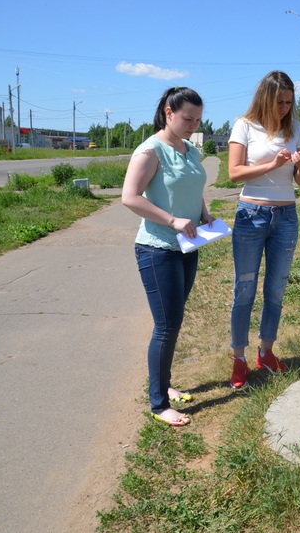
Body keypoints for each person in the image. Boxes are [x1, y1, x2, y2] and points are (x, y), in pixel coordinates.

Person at [122, 87, 214, 427]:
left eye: (197, 120)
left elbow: (192, 188)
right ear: (168, 112)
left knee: (172, 322)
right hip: (157, 247)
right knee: (166, 326)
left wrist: (203, 212)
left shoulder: (189, 149)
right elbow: (129, 197)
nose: (192, 125)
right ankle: (159, 404)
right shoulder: (150, 150)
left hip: (186, 248)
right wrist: (173, 220)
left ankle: (165, 384)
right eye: (187, 119)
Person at [227, 71, 300, 388]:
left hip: (286, 216)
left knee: (275, 290)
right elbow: (235, 173)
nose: (285, 108)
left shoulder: (295, 128)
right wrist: (273, 165)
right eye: (279, 102)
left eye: (289, 102)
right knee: (244, 289)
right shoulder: (244, 126)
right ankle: (239, 358)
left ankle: (266, 352)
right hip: (251, 214)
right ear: (265, 98)